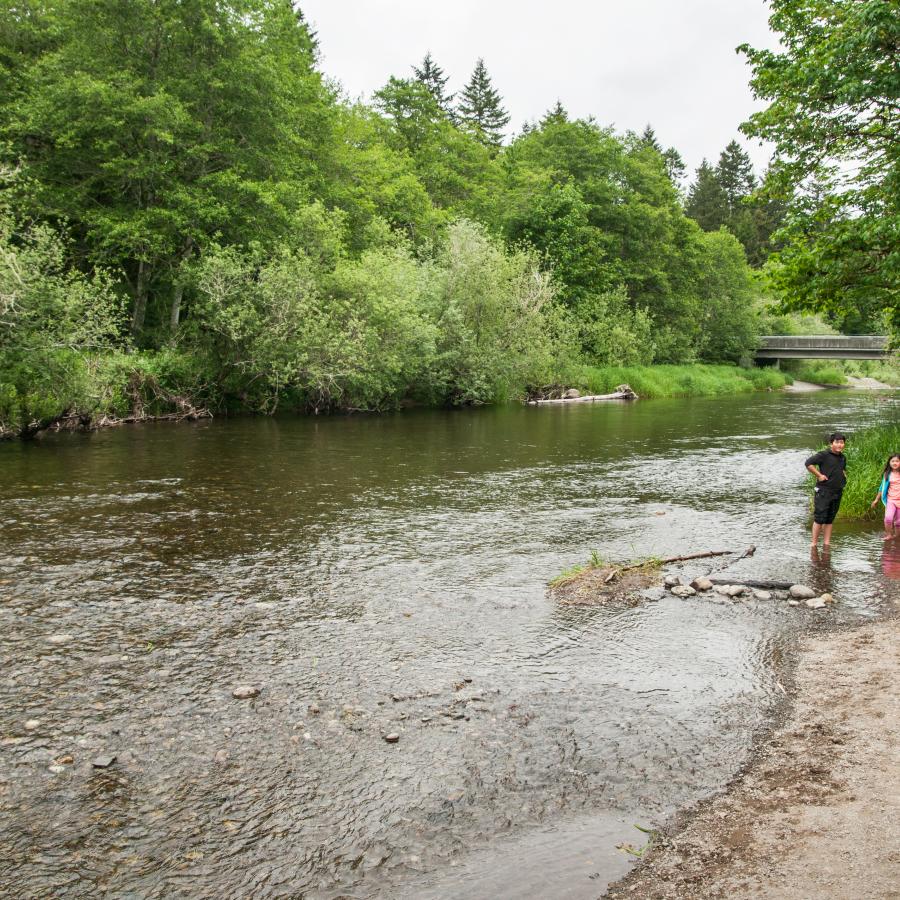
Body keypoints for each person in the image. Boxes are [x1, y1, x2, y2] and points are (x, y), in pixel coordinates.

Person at [805, 432, 847, 547]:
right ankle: (813, 543)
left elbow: (842, 469)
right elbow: (808, 463)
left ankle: (826, 543)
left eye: (842, 442)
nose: (839, 445)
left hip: (837, 491)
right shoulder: (824, 455)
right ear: (831, 443)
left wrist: (844, 476)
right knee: (820, 518)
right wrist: (819, 475)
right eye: (837, 442)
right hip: (824, 491)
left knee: (829, 519)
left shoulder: (842, 457)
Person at [870, 453, 900, 540]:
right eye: (893, 461)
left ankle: (897, 536)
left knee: (898, 522)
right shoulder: (887, 474)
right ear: (889, 463)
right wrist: (876, 500)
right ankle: (889, 535)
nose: (895, 463)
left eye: (897, 461)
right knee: (888, 518)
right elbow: (881, 488)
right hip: (891, 500)